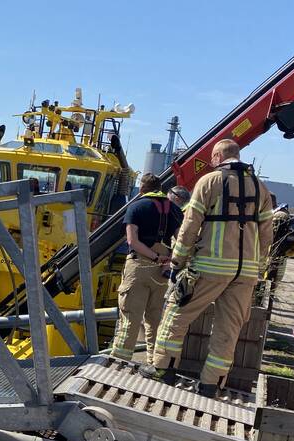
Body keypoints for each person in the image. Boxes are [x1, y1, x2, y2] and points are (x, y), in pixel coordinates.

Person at [140, 139, 273, 397]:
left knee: (176, 315)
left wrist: (178, 260)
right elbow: (266, 235)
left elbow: (190, 225)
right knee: (228, 329)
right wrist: (258, 268)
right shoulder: (261, 189)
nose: (211, 163)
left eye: (212, 159)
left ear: (219, 156)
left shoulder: (210, 182)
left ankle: (162, 368)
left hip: (210, 266)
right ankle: (212, 384)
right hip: (245, 272)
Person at [109, 173, 181, 363]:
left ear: (142, 189)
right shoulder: (173, 209)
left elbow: (132, 240)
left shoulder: (136, 207)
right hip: (162, 272)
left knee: (130, 317)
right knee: (155, 317)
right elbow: (182, 239)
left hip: (140, 266)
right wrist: (167, 259)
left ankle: (120, 361)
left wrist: (154, 257)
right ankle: (154, 361)